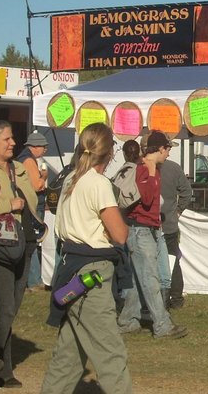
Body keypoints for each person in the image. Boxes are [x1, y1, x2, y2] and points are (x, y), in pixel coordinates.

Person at [40, 123, 132, 393]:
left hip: (70, 268)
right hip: (92, 272)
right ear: (110, 152)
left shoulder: (71, 179)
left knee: (69, 356)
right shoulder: (98, 183)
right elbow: (120, 234)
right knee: (111, 355)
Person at [0, 120, 40, 389]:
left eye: (12, 138)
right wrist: (7, 204)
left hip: (24, 241)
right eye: (7, 139)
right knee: (5, 309)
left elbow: (31, 197)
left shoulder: (16, 167)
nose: (13, 143)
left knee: (10, 310)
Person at [117, 131, 187, 339]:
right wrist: (151, 174)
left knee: (138, 279)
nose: (169, 153)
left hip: (145, 228)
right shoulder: (145, 169)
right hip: (141, 229)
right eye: (168, 149)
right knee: (150, 278)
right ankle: (162, 325)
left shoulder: (149, 168)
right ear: (160, 149)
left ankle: (127, 320)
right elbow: (147, 199)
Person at [16, 131, 50, 291]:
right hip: (34, 205)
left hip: (27, 205)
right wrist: (44, 176)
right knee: (34, 240)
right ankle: (34, 281)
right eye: (43, 147)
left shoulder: (22, 158)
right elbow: (37, 186)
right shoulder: (29, 161)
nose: (45, 150)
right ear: (35, 146)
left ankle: (31, 279)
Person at [159, 157, 191, 310]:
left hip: (162, 224)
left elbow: (186, 192)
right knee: (173, 260)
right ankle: (175, 298)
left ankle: (173, 298)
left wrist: (178, 210)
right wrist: (178, 210)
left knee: (168, 259)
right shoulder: (174, 167)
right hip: (167, 223)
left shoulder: (170, 167)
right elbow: (187, 192)